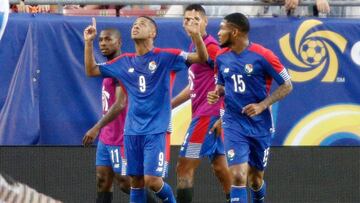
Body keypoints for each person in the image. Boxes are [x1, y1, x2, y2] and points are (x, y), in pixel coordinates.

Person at [84, 15, 208, 203]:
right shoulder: (124, 61)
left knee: (152, 180)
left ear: (153, 33)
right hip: (132, 131)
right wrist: (88, 42)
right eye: (134, 24)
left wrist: (197, 36)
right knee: (135, 181)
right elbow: (91, 70)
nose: (136, 27)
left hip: (156, 129)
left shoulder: (166, 56)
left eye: (142, 24)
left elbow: (201, 57)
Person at [207, 13, 293, 203]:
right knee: (238, 175)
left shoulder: (264, 56)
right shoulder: (221, 57)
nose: (218, 33)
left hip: (259, 124)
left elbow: (287, 84)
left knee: (255, 180)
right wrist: (217, 92)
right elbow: (222, 85)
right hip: (233, 122)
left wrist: (262, 105)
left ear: (235, 32)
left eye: (222, 28)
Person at [82, 28, 159, 203]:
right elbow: (89, 70)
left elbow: (120, 103)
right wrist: (88, 42)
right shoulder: (111, 66)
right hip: (106, 138)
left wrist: (96, 127)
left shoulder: (124, 67)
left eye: (108, 39)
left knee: (126, 183)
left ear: (119, 43)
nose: (103, 43)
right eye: (101, 40)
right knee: (103, 182)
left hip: (121, 138)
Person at [171, 4, 231, 203]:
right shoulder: (195, 47)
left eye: (196, 19)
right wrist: (170, 104)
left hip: (208, 116)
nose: (191, 23)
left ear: (206, 22)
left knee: (184, 166)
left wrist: (225, 114)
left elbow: (231, 78)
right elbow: (193, 86)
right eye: (187, 19)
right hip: (210, 116)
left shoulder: (211, 47)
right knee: (221, 168)